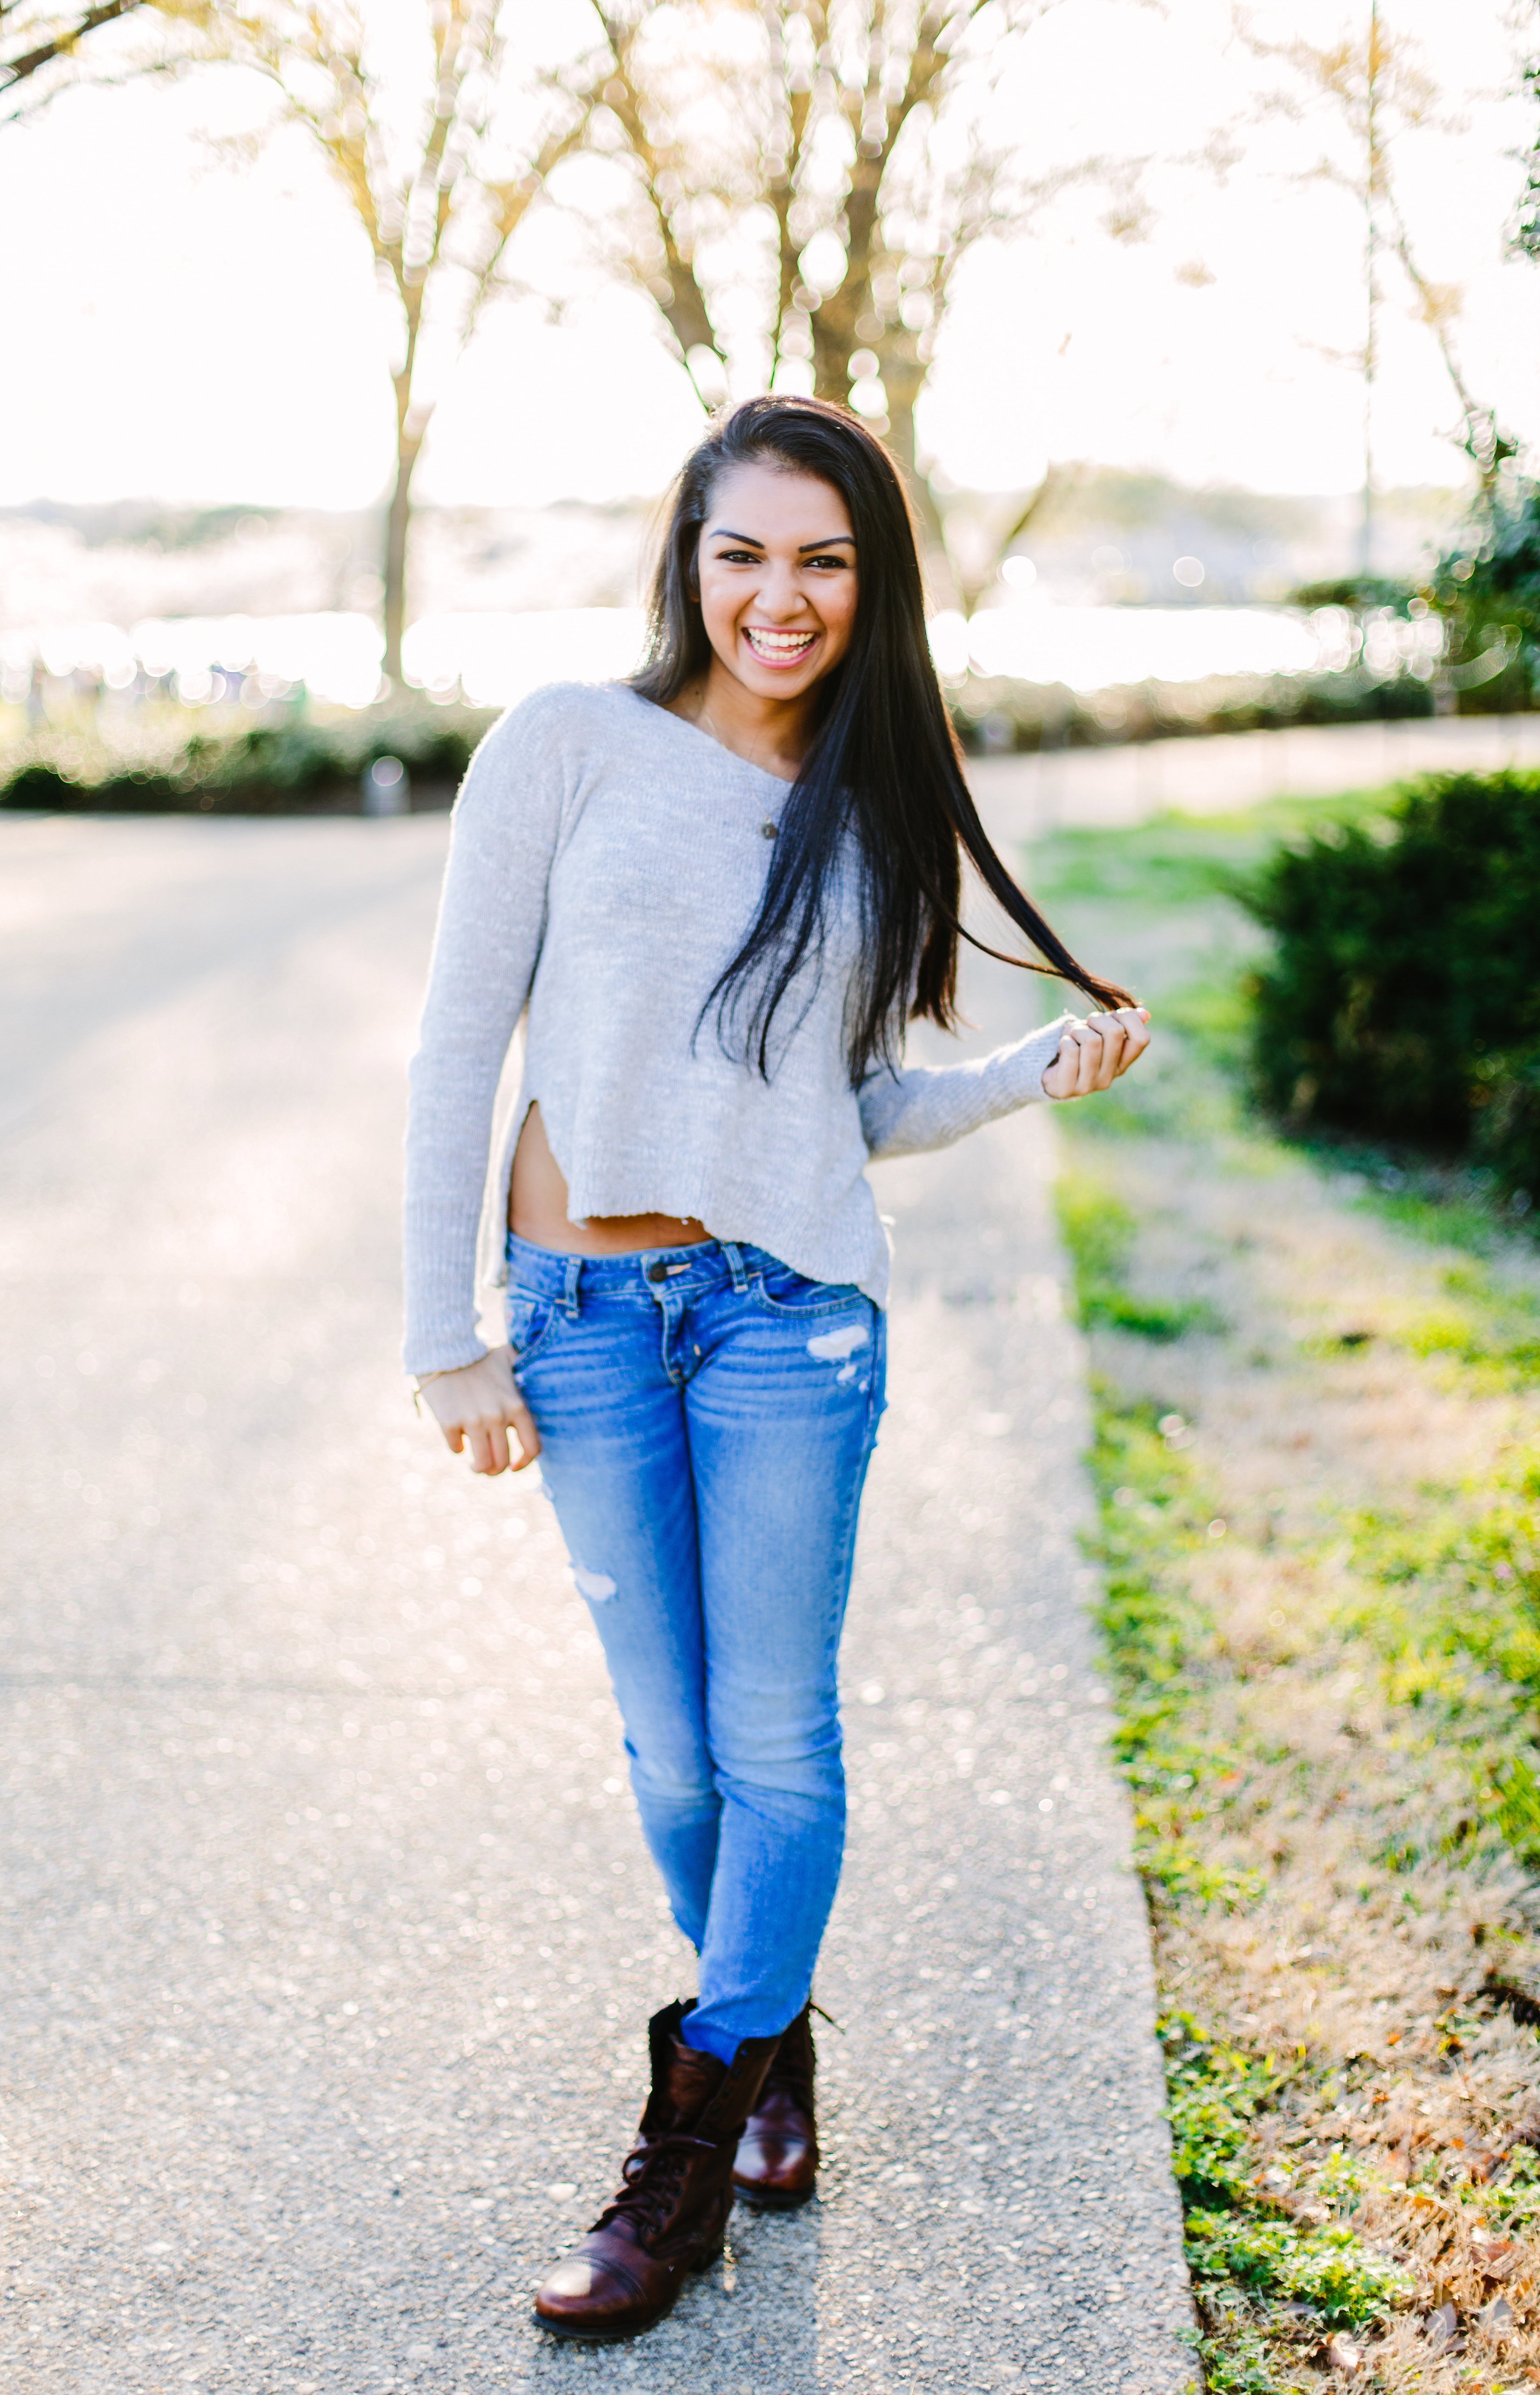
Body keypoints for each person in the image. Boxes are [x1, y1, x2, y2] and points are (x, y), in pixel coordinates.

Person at [403, 395, 1148, 2344]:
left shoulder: (880, 812)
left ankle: (684, 2142)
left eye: (821, 558)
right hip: (573, 1319)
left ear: (869, 581)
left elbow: (848, 1108)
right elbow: (454, 1046)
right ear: (687, 558)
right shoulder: (566, 746)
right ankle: (759, 2033)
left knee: (776, 1737)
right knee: (667, 1751)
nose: (777, 595)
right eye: (741, 551)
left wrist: (1021, 1073)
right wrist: (443, 1333)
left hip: (787, 1319)